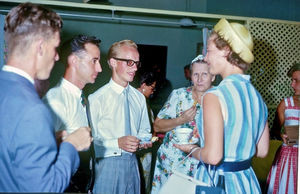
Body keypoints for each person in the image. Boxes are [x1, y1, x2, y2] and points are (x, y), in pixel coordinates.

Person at [0, 2, 92, 192]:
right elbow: (45, 188)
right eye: (55, 48)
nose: (57, 57)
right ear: (40, 47)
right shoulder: (33, 109)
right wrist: (71, 145)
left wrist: (49, 141)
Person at [175, 18, 270, 193]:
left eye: (209, 51)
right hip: (246, 181)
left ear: (226, 51)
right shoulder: (257, 97)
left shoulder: (214, 96)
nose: (205, 57)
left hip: (218, 182)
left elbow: (213, 156)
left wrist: (192, 149)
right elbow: (262, 151)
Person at [89, 39, 152, 194]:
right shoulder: (96, 99)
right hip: (106, 166)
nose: (135, 68)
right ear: (113, 62)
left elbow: (145, 131)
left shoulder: (139, 98)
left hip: (133, 164)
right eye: (129, 62)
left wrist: (144, 141)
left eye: (137, 63)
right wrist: (117, 143)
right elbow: (89, 145)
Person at [43, 34, 102, 192]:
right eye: (94, 61)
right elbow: (40, 154)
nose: (100, 68)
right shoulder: (55, 100)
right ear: (73, 60)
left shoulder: (81, 98)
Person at [151, 55, 215, 193]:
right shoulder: (179, 95)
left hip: (201, 165)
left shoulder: (219, 98)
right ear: (190, 77)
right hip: (171, 163)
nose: (199, 79)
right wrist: (181, 120)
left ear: (213, 76)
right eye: (195, 74)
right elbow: (157, 126)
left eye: (205, 74)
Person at [266, 62, 299, 194]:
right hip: (289, 155)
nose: (292, 84)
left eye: (297, 81)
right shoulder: (286, 104)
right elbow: (274, 131)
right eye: (292, 80)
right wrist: (281, 135)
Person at [136, 71, 157, 194]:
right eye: (152, 88)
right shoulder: (139, 101)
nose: (153, 91)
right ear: (143, 85)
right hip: (140, 149)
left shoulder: (144, 101)